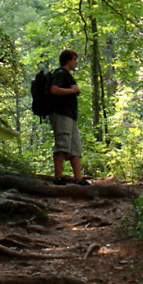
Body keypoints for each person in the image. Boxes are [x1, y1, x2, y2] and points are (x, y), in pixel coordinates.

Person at [49, 48, 89, 186]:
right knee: (62, 144)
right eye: (74, 60)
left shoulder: (67, 75)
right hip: (61, 114)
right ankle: (58, 177)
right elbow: (54, 89)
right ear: (68, 60)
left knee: (75, 147)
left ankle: (78, 178)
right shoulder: (60, 73)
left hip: (70, 116)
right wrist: (72, 90)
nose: (76, 62)